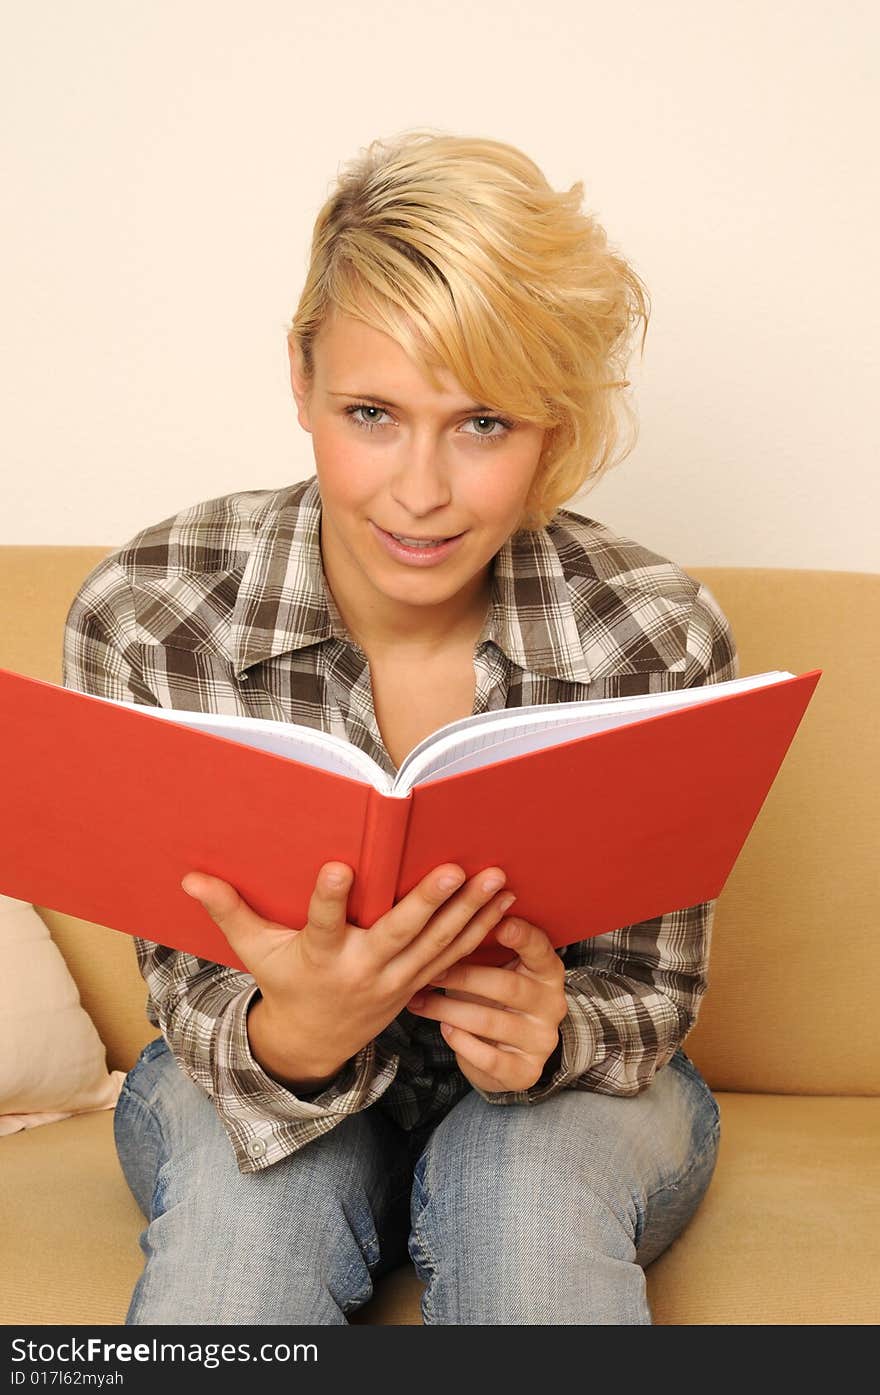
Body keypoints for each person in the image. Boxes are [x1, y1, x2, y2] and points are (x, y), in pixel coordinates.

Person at [62, 128, 737, 1326]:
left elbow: (652, 990)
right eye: (372, 412)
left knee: (519, 1185)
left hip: (562, 1102)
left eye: (484, 424)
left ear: (552, 422)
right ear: (300, 379)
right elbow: (183, 989)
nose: (419, 490)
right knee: (246, 1208)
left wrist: (553, 1030)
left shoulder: (656, 632)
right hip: (242, 1081)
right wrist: (298, 1032)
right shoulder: (152, 610)